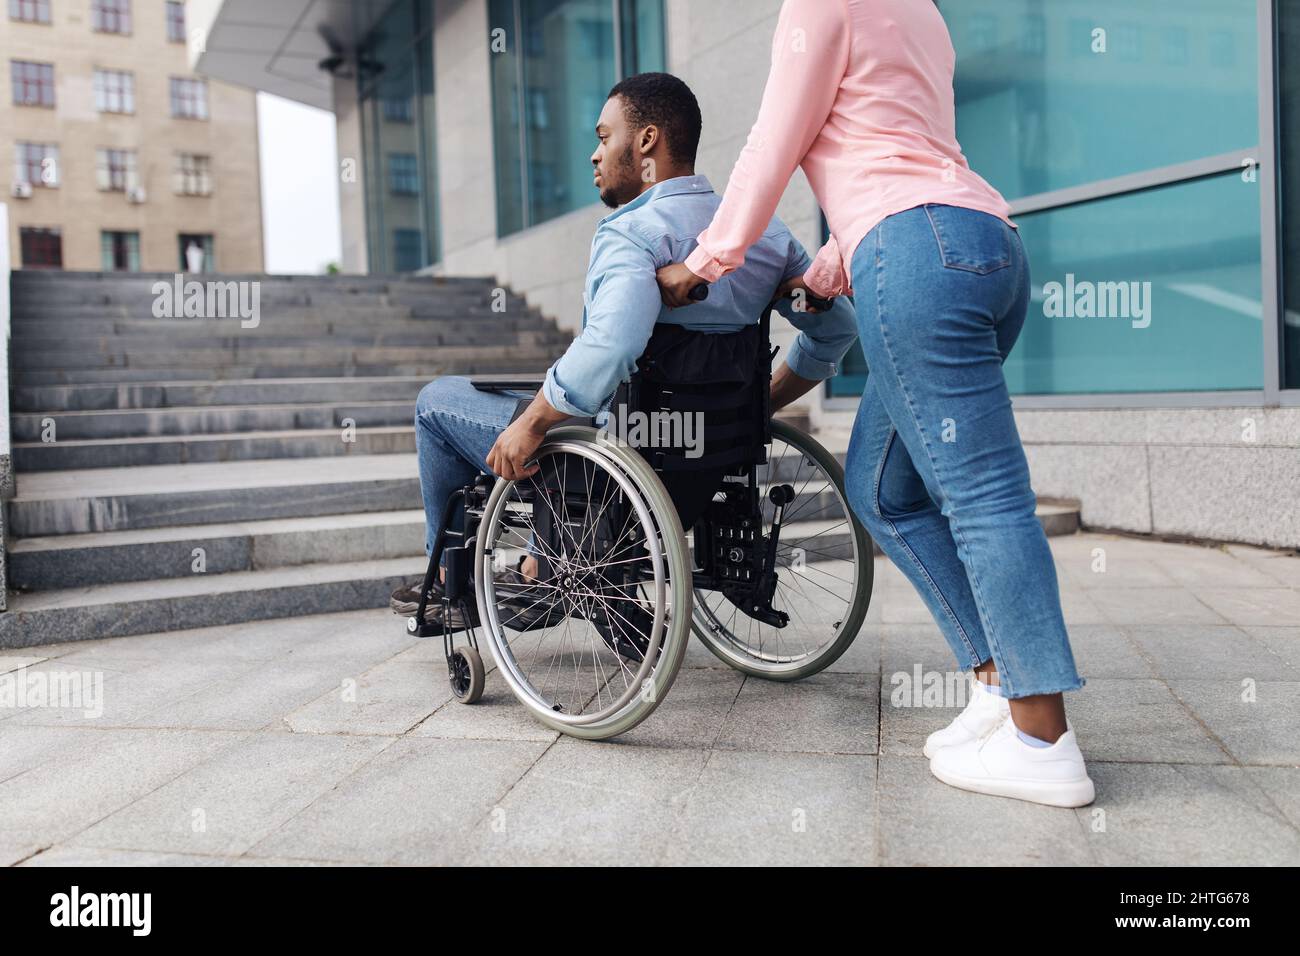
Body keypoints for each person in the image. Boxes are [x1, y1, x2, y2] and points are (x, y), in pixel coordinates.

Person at [655, 0, 1094, 808]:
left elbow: (772, 143)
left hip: (918, 259)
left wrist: (704, 262)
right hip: (986, 246)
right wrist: (826, 272)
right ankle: (999, 684)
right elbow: (901, 152)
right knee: (882, 488)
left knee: (982, 496)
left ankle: (1043, 739)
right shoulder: (920, 12)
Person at [390, 72, 857, 633]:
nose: (594, 154)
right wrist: (760, 402)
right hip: (703, 448)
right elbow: (836, 328)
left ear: (645, 142)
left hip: (622, 443)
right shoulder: (764, 235)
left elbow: (612, 346)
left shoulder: (634, 232)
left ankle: (452, 582)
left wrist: (535, 420)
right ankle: (542, 558)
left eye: (603, 136)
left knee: (438, 401)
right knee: (555, 403)